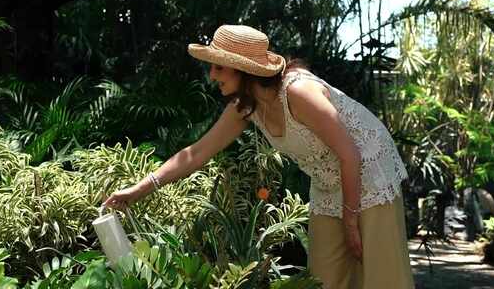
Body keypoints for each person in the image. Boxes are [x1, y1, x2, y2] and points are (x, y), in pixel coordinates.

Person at [105, 24, 415, 289]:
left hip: (371, 172)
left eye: (218, 66)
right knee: (323, 279)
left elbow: (350, 153)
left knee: (381, 277)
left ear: (243, 69)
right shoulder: (245, 108)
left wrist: (350, 222)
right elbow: (195, 153)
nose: (212, 75)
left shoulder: (299, 92)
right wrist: (137, 191)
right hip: (327, 184)